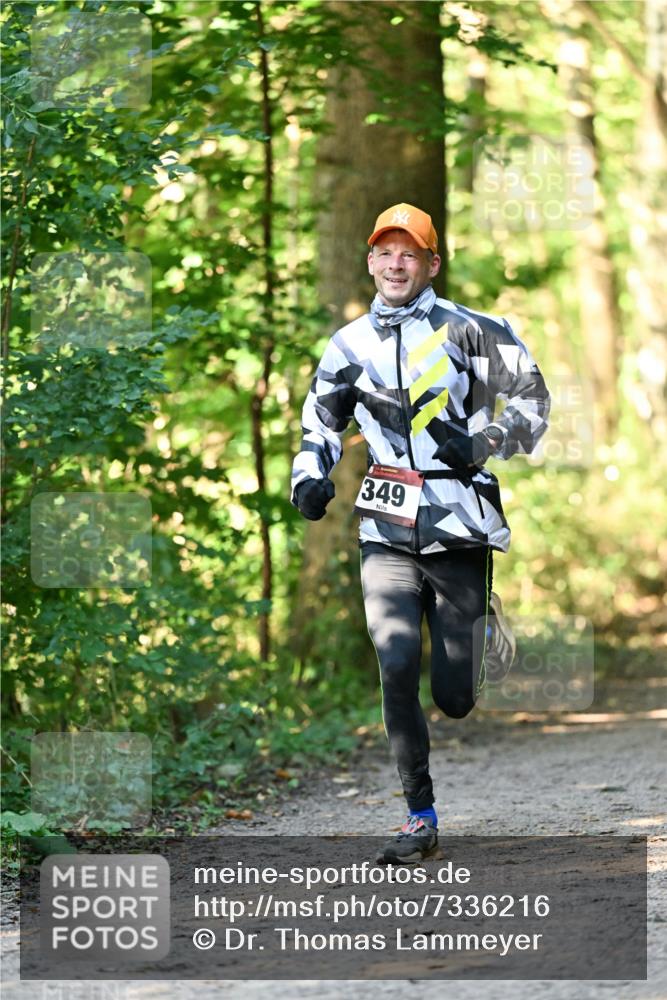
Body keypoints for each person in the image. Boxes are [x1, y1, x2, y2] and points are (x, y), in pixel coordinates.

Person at [291, 202, 550, 863]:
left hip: (458, 524)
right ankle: (418, 816)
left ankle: (476, 625)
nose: (395, 262)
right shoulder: (347, 345)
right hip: (384, 527)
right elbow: (319, 424)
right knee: (395, 664)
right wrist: (308, 479)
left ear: (431, 263)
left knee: (454, 698)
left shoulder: (473, 330)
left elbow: (532, 404)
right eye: (384, 251)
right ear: (370, 261)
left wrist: (484, 438)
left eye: (410, 252)